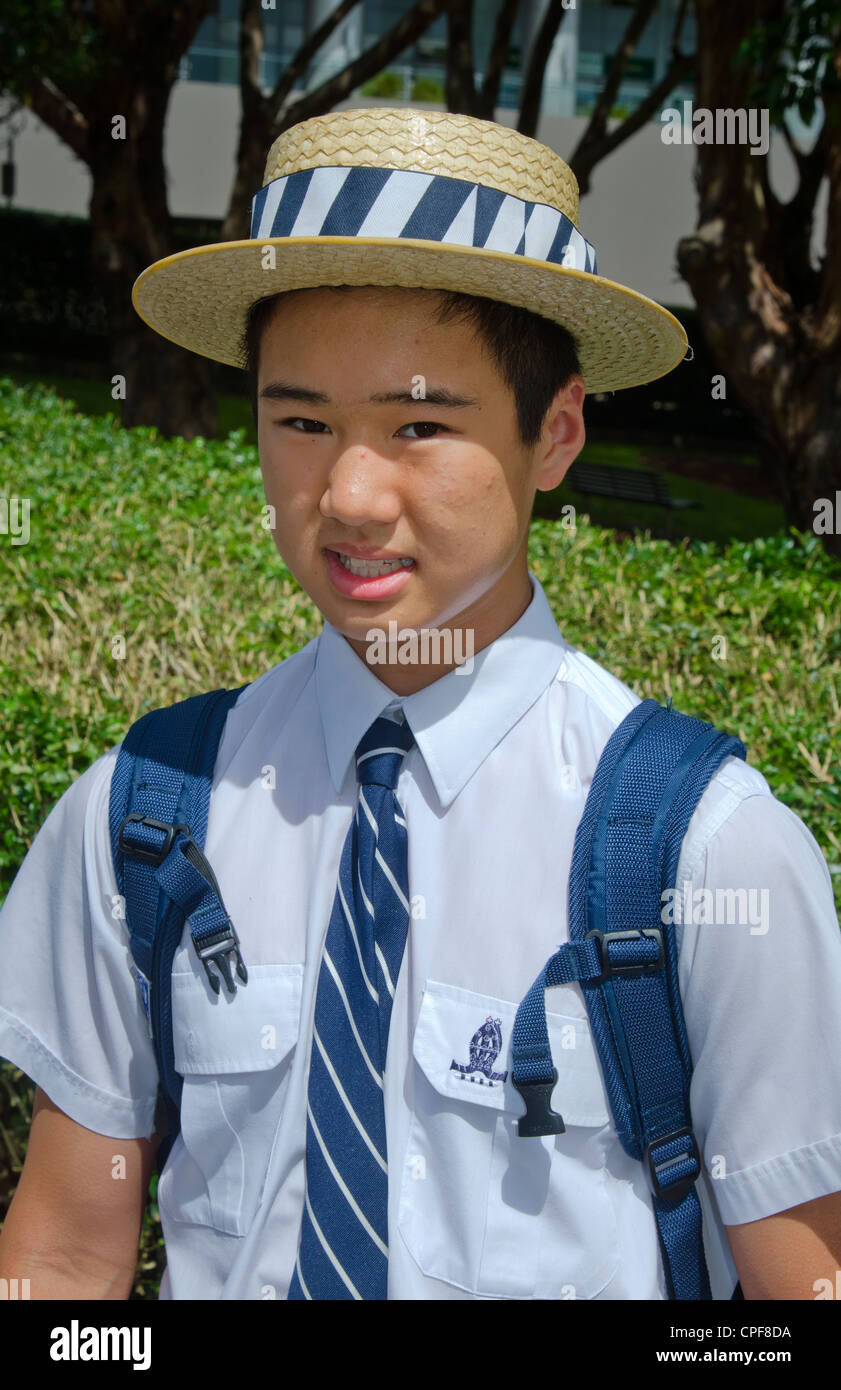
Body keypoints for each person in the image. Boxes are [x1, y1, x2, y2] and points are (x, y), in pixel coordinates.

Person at [1, 106, 840, 1302]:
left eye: (418, 425)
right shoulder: (146, 810)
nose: (347, 492)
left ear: (553, 434)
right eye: (300, 421)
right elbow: (65, 1257)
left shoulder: (701, 848)